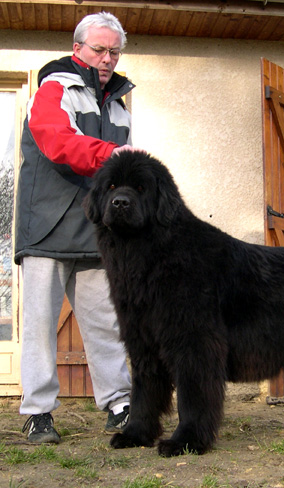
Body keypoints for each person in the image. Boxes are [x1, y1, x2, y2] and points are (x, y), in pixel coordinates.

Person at [15, 11, 141, 444]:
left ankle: (120, 404)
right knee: (39, 325)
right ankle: (38, 412)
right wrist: (114, 155)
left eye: (114, 52)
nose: (107, 59)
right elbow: (57, 142)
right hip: (46, 228)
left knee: (107, 322)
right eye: (99, 49)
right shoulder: (54, 89)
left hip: (97, 232)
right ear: (78, 49)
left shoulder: (119, 106)